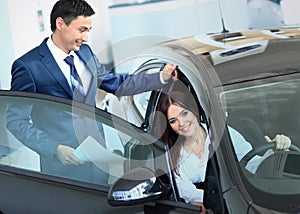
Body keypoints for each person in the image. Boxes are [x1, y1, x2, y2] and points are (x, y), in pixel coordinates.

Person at [6, 0, 177, 184]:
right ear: (60, 24)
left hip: (97, 158)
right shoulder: (28, 66)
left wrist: (159, 78)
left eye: (88, 30)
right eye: (82, 30)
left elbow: (117, 84)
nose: (86, 38)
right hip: (62, 168)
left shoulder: (85, 53)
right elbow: (16, 121)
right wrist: (54, 148)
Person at [157, 91, 291, 212]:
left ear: (194, 110)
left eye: (184, 113)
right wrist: (208, 201)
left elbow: (251, 164)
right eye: (173, 121)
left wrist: (276, 151)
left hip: (241, 200)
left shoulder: (223, 134)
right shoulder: (173, 154)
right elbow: (186, 191)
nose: (181, 123)